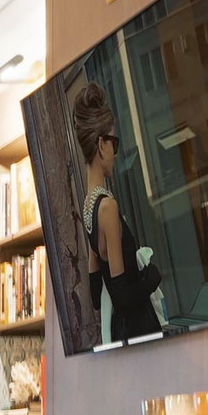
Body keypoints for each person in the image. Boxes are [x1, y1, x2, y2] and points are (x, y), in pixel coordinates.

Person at [72, 82, 164, 344]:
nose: (115, 151)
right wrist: (152, 278)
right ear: (102, 145)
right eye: (114, 142)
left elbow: (96, 293)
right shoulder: (108, 207)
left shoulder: (88, 207)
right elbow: (123, 300)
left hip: (118, 333)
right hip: (138, 330)